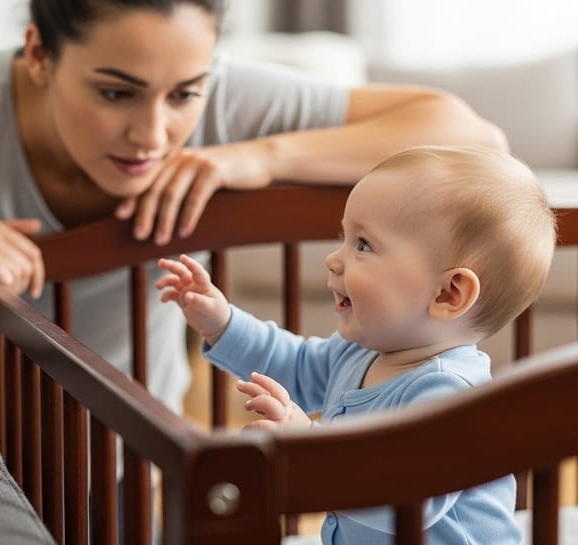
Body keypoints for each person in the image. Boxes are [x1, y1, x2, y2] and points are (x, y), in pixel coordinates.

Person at [0, 0, 507, 415]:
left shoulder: (221, 106)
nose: (153, 132)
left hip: (134, 449)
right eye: (115, 92)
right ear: (38, 55)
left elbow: (474, 140)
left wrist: (253, 156)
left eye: (186, 93)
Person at [156, 144, 557, 544]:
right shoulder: (359, 352)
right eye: (343, 237)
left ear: (448, 294)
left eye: (363, 245)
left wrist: (309, 447)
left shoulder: (451, 397)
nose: (333, 258)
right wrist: (222, 322)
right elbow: (291, 363)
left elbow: (406, 501)